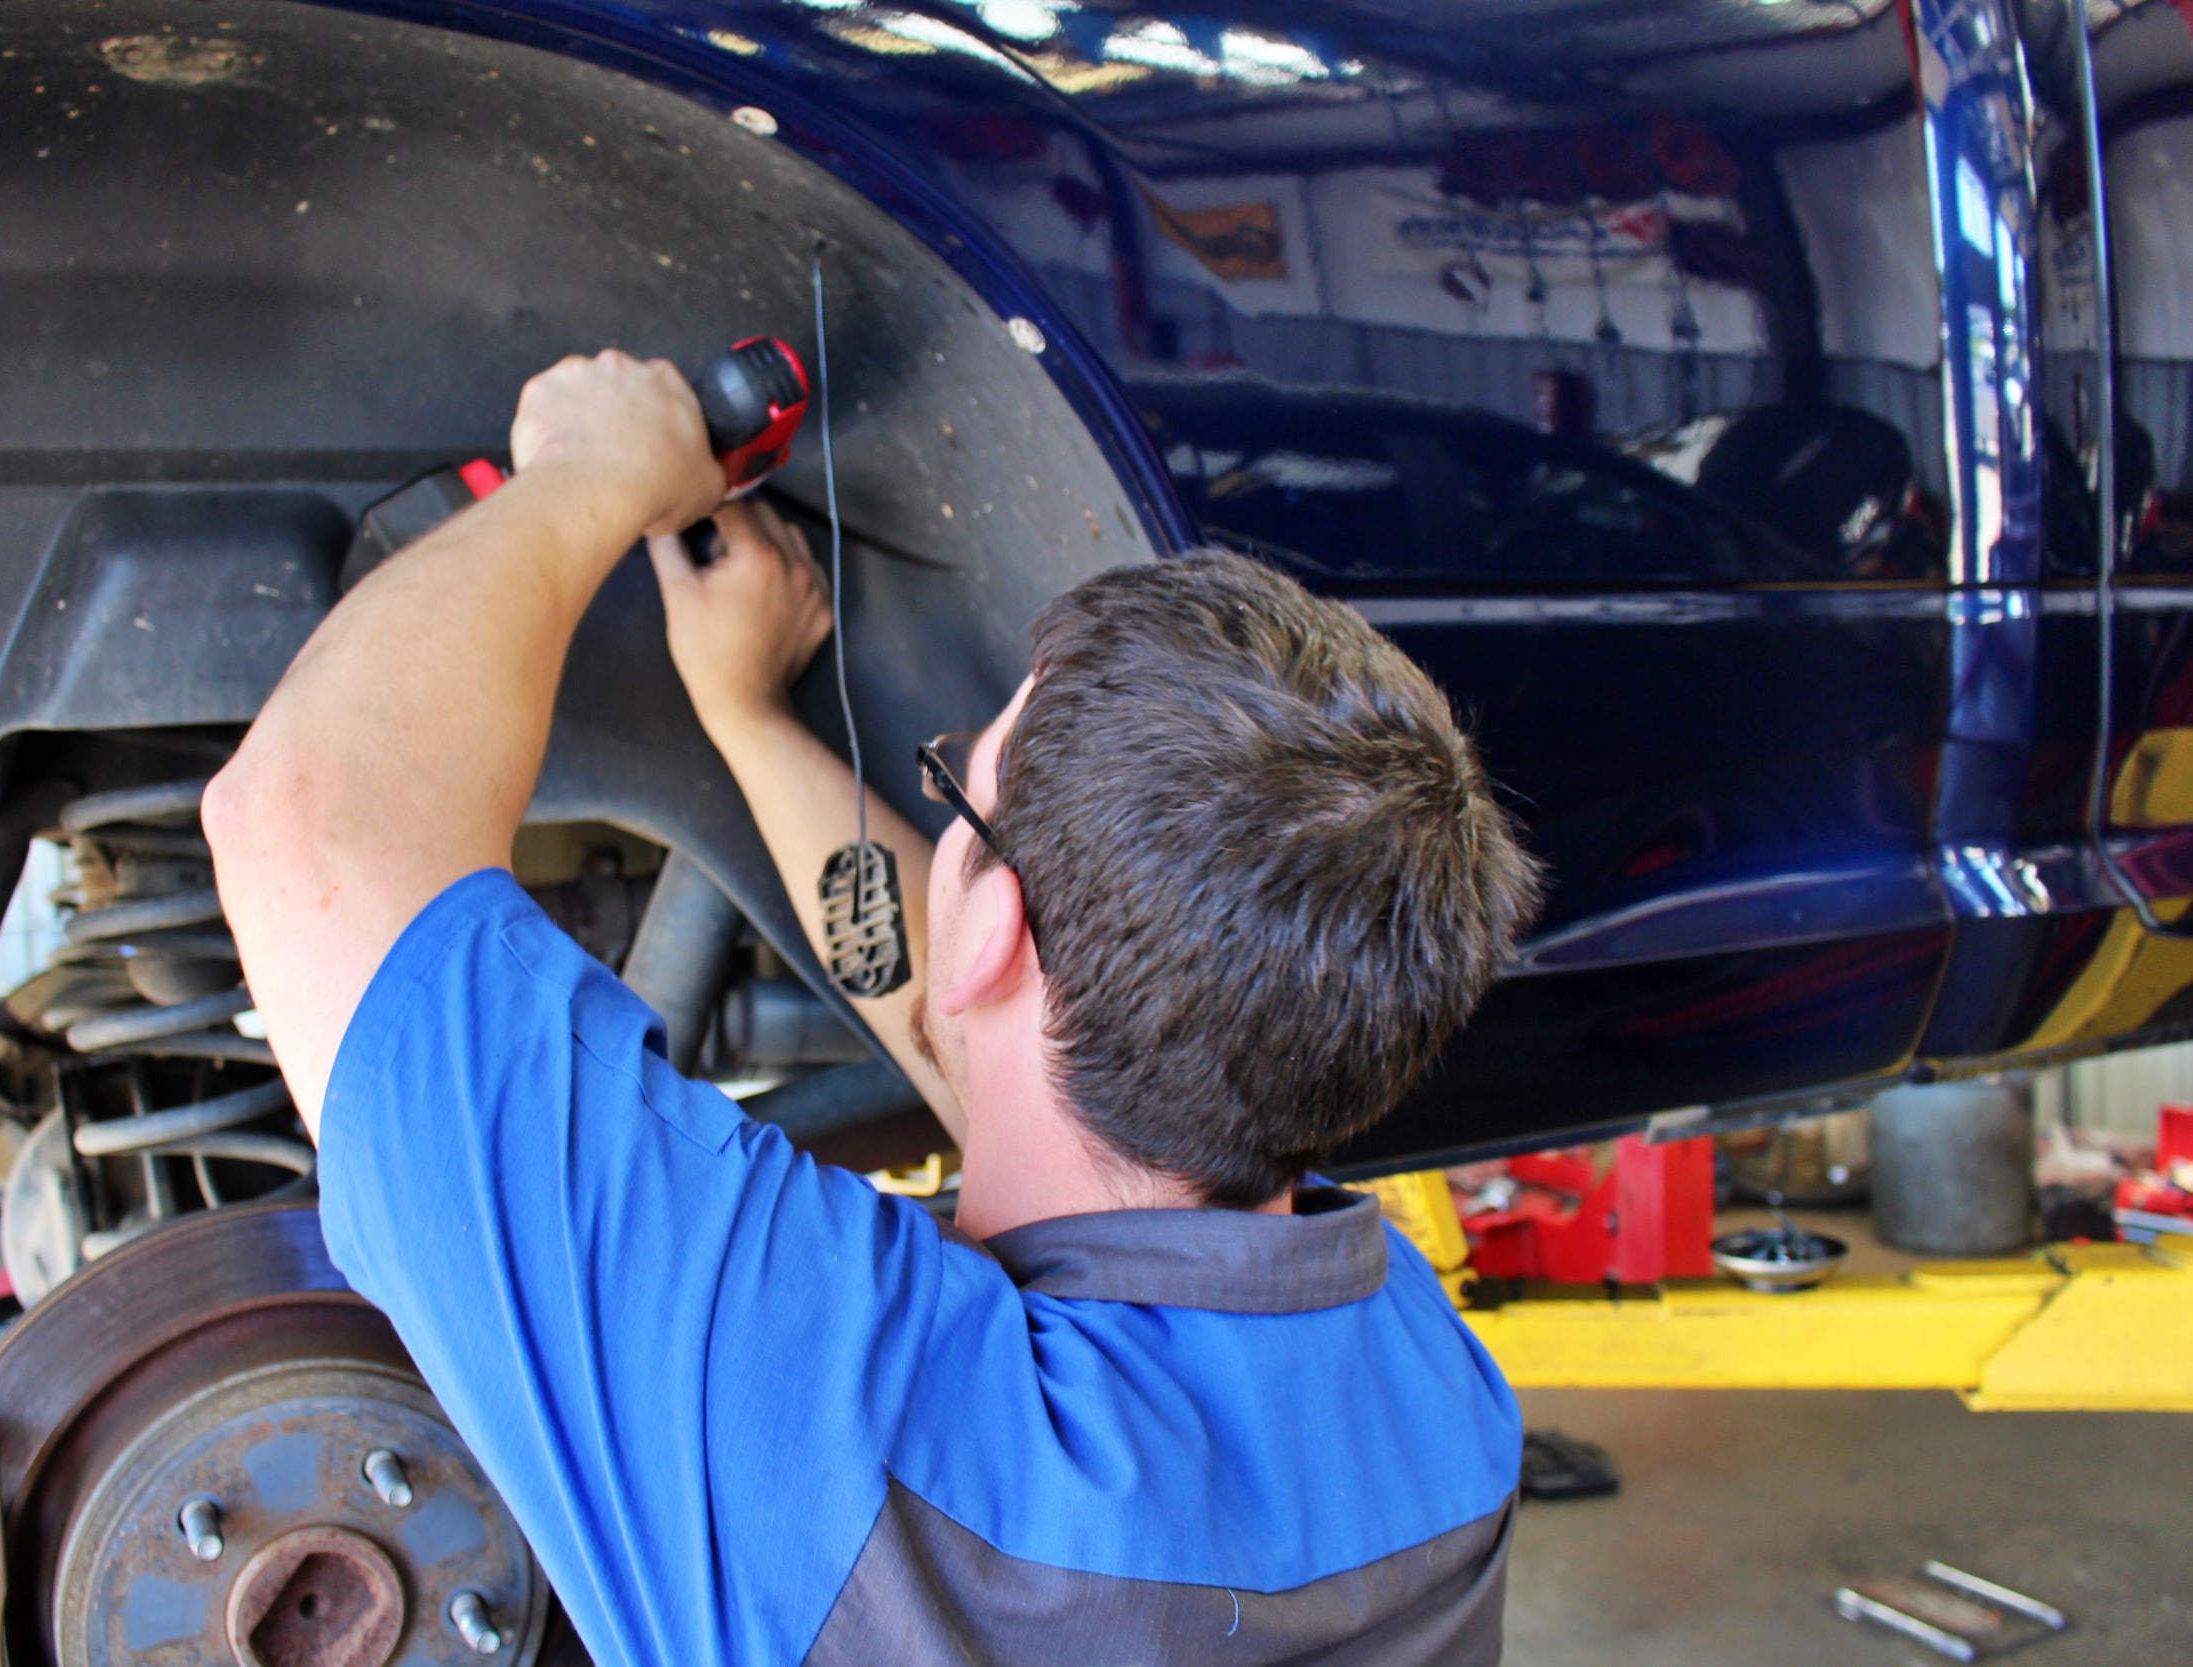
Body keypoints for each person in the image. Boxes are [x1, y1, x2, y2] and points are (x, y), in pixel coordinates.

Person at [205, 349, 1540, 1665]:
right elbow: (1009, 1050)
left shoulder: (841, 1430)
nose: (944, 809)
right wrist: (745, 717)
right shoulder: (1432, 1390)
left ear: (994, 935)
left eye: (958, 787)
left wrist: (592, 465)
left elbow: (308, 829)